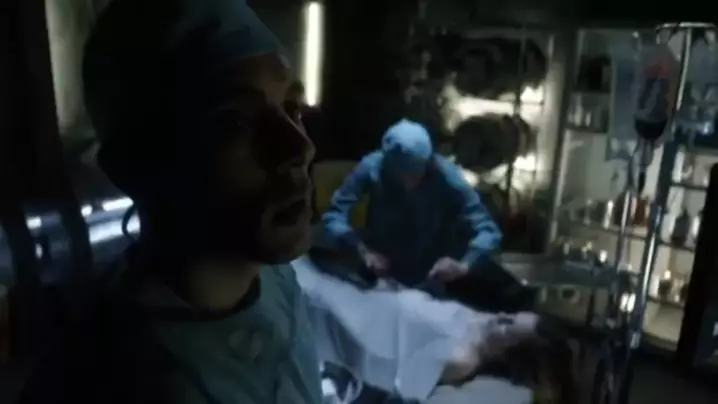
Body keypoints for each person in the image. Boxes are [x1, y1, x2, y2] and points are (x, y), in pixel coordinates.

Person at [19, 1, 321, 403]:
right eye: (234, 121)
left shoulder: (276, 285)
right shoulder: (121, 379)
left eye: (293, 109)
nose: (299, 148)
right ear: (134, 165)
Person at [322, 118, 502, 292]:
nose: (408, 184)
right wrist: (361, 250)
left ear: (428, 162)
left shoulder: (448, 176)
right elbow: (334, 215)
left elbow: (488, 230)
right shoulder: (371, 167)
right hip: (378, 272)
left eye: (415, 174)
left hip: (430, 275)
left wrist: (463, 265)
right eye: (399, 175)